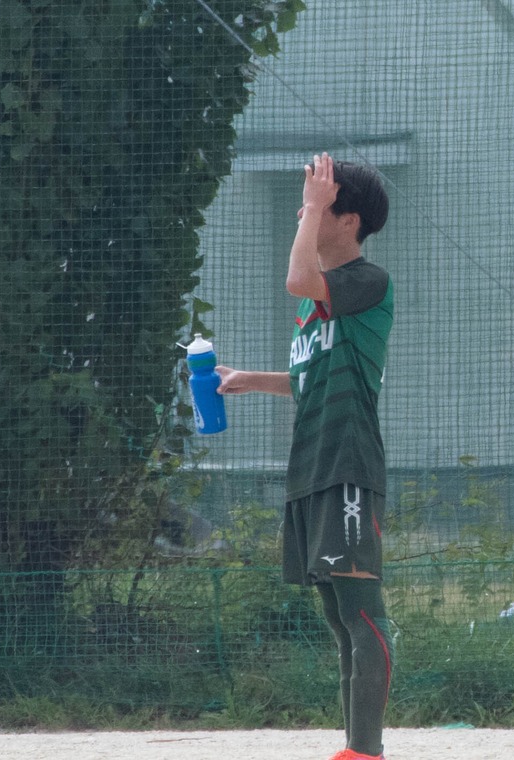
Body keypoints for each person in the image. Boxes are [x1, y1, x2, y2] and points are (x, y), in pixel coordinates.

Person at [217, 153, 394, 760]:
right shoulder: (313, 308)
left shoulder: (368, 280)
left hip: (348, 461)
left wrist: (314, 203)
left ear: (348, 220)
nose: (303, 212)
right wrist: (248, 379)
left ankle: (365, 751)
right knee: (338, 616)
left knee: (362, 610)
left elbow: (298, 279)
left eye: (317, 205)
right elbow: (306, 377)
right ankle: (355, 746)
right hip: (311, 465)